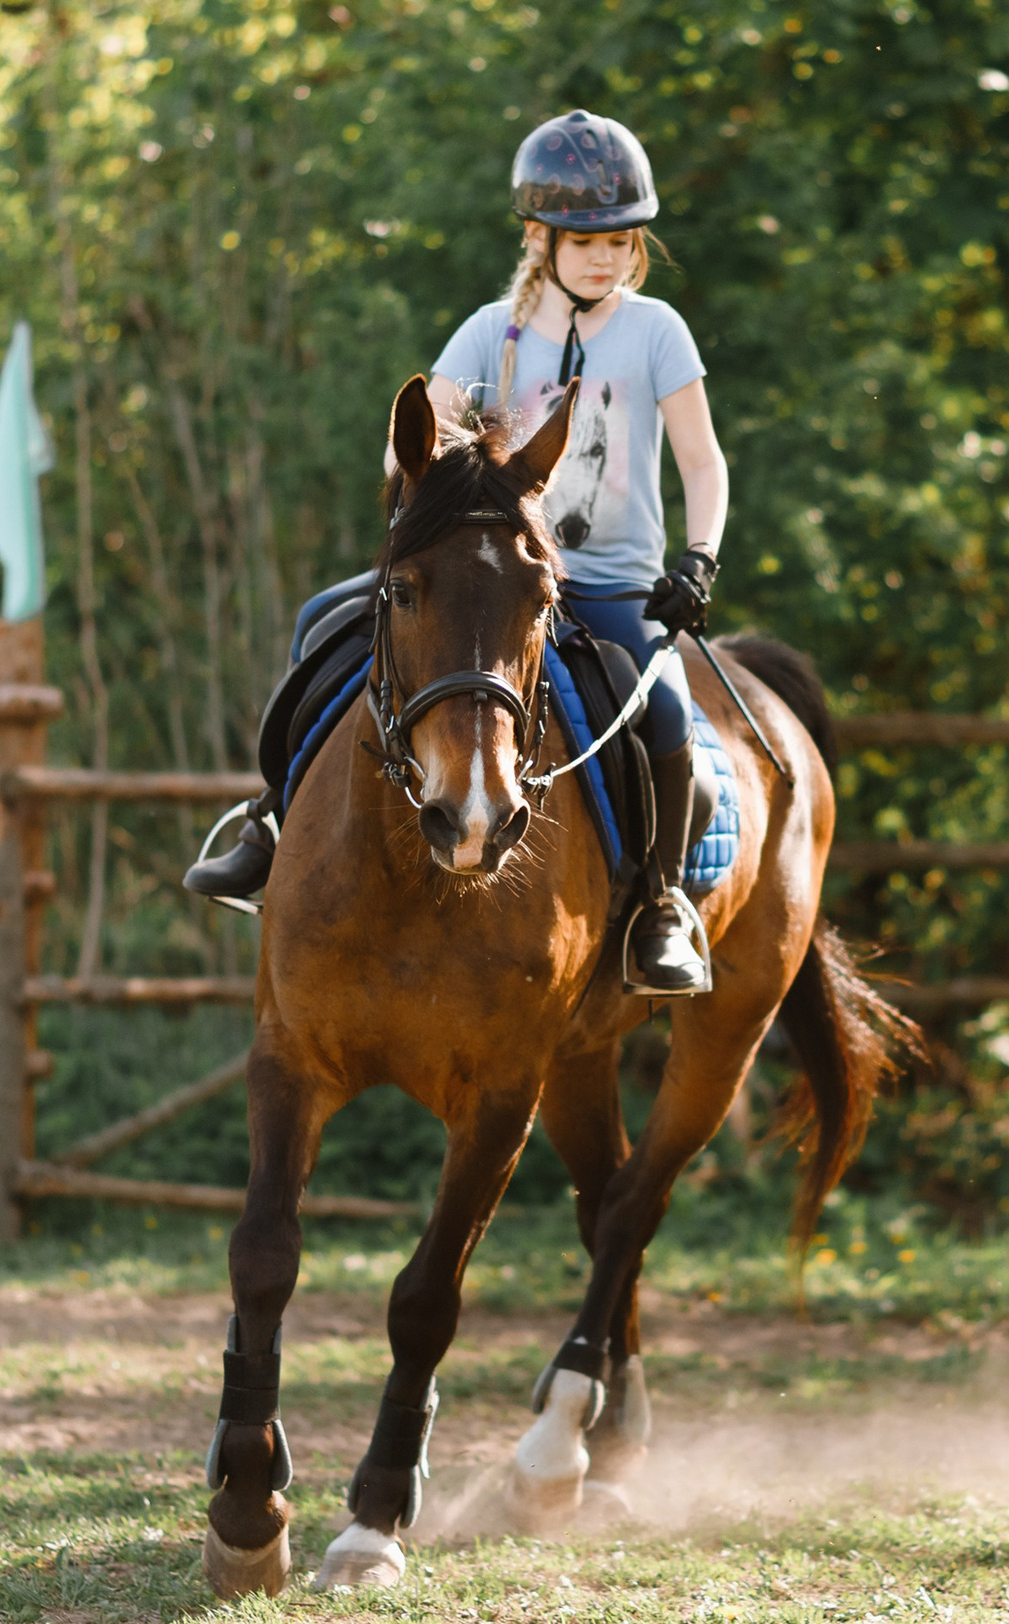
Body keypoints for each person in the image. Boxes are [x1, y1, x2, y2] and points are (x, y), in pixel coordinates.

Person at [186, 110, 728, 994]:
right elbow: (410, 442)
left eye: (623, 241)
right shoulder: (488, 331)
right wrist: (456, 480)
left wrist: (699, 559)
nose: (606, 257)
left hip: (611, 586)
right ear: (537, 237)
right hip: (483, 575)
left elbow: (704, 461)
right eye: (584, 240)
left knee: (667, 718)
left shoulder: (658, 331)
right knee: (320, 619)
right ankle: (273, 823)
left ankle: (662, 904)